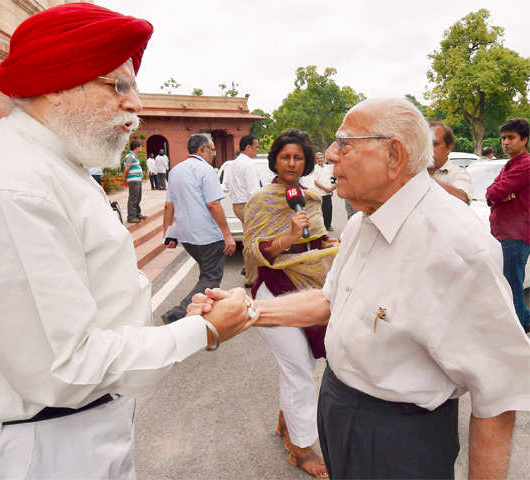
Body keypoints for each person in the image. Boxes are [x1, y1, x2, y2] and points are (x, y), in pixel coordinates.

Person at [0, 5, 256, 479]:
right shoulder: (10, 185)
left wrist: (173, 326)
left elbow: (78, 310)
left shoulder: (47, 167)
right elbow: (62, 368)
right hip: (28, 452)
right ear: (59, 82)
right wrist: (199, 332)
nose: (135, 105)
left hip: (55, 440)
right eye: (118, 86)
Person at [191, 98, 530, 480]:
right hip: (339, 405)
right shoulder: (363, 222)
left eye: (345, 143)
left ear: (393, 154)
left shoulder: (455, 245)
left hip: (399, 438)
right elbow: (330, 300)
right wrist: (247, 312)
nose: (331, 155)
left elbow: (498, 396)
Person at [243, 129, 337, 478]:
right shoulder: (261, 200)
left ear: (306, 162)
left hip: (311, 287)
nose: (292, 163)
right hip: (276, 286)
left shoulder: (310, 198)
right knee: (298, 369)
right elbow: (253, 250)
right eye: (286, 157)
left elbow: (319, 236)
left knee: (300, 366)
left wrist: (327, 241)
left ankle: (287, 422)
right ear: (275, 160)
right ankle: (300, 448)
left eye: (298, 157)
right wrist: (290, 237)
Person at [161, 133, 237, 324]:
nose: (214, 153)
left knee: (206, 275)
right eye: (212, 149)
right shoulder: (206, 170)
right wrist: (227, 235)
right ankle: (179, 313)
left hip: (187, 237)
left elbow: (168, 206)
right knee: (211, 278)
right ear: (202, 149)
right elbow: (214, 205)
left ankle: (202, 310)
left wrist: (167, 234)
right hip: (207, 236)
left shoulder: (175, 170)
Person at [486, 117, 530, 332]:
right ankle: (525, 321)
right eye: (503, 138)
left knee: (511, 288)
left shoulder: (526, 165)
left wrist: (497, 195)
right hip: (502, 234)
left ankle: (518, 334)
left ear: (525, 140)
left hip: (515, 236)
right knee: (509, 286)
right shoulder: (509, 165)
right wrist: (497, 195)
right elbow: (491, 192)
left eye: (511, 137)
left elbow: (495, 191)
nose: (505, 142)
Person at [225, 134, 260, 286]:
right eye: (256, 147)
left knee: (248, 238)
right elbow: (254, 191)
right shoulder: (249, 164)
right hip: (249, 205)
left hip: (237, 205)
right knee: (253, 241)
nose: (257, 150)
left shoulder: (232, 164)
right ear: (248, 147)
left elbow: (226, 184)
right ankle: (251, 278)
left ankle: (247, 267)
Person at [428, 121, 473, 204]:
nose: (428, 148)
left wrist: (424, 179)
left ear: (449, 148)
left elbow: (462, 198)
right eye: (426, 144)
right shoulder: (413, 172)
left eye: (435, 144)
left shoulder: (458, 173)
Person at [123, 139, 145, 223]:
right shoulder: (130, 156)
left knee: (138, 198)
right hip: (133, 180)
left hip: (137, 180)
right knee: (133, 198)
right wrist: (124, 179)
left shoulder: (135, 156)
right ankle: (131, 217)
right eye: (140, 147)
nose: (141, 148)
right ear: (137, 147)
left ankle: (137, 214)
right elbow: (127, 169)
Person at [313, 151, 336, 231]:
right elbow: (316, 182)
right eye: (318, 158)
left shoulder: (327, 167)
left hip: (328, 193)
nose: (320, 160)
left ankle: (328, 225)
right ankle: (322, 227)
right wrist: (326, 189)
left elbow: (329, 179)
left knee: (329, 209)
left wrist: (330, 189)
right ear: (316, 160)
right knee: (321, 211)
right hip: (320, 193)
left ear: (324, 158)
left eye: (321, 158)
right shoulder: (315, 168)